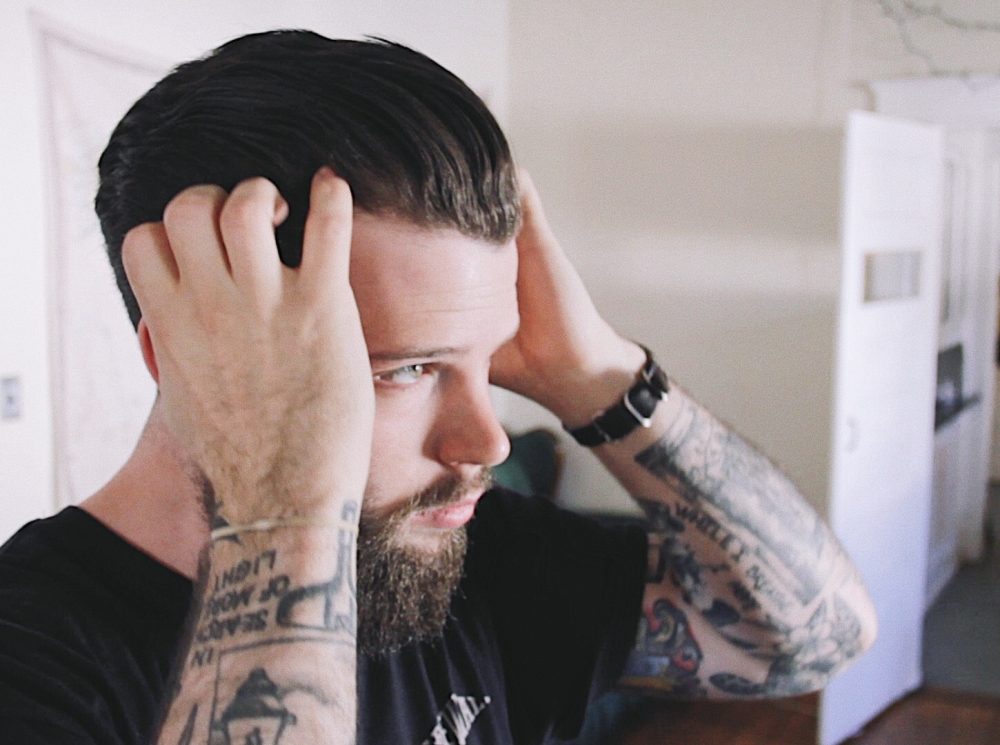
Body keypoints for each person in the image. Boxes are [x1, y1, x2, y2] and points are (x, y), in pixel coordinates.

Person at [0, 30, 877, 744]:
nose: (486, 440)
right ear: (192, 358)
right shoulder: (34, 661)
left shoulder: (457, 553)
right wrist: (282, 509)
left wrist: (602, 380)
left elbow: (813, 638)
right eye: (409, 369)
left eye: (486, 362)